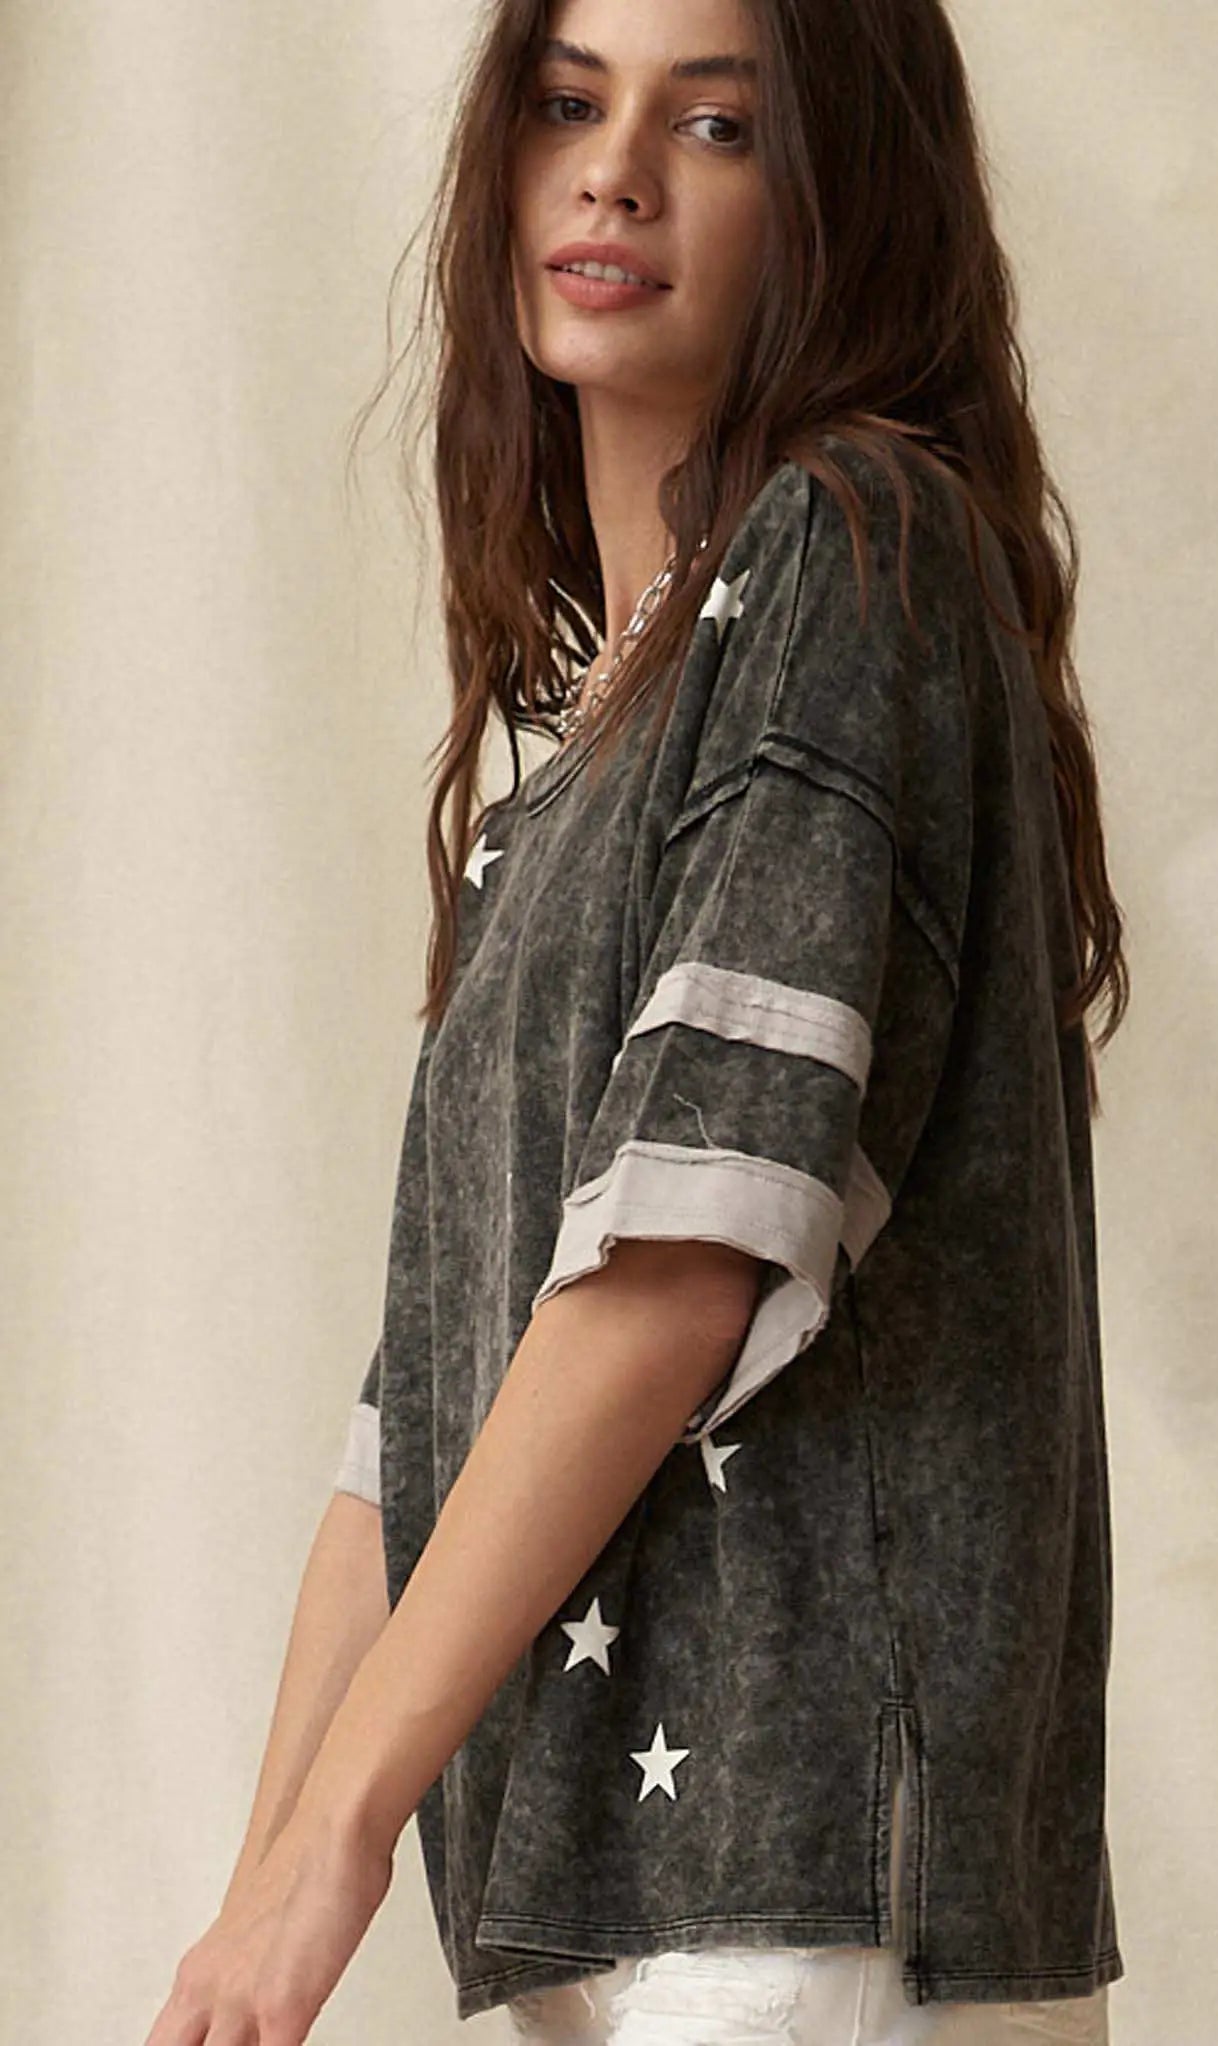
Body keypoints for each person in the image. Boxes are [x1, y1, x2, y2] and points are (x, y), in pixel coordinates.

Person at [146, 1, 1131, 2041]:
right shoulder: (580, 771)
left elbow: (681, 1256)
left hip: (795, 1884)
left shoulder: (847, 542)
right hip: (625, 1893)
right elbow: (413, 1427)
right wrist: (256, 1904)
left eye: (717, 126)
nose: (611, 171)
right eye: (566, 102)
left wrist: (337, 1842)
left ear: (841, 197)